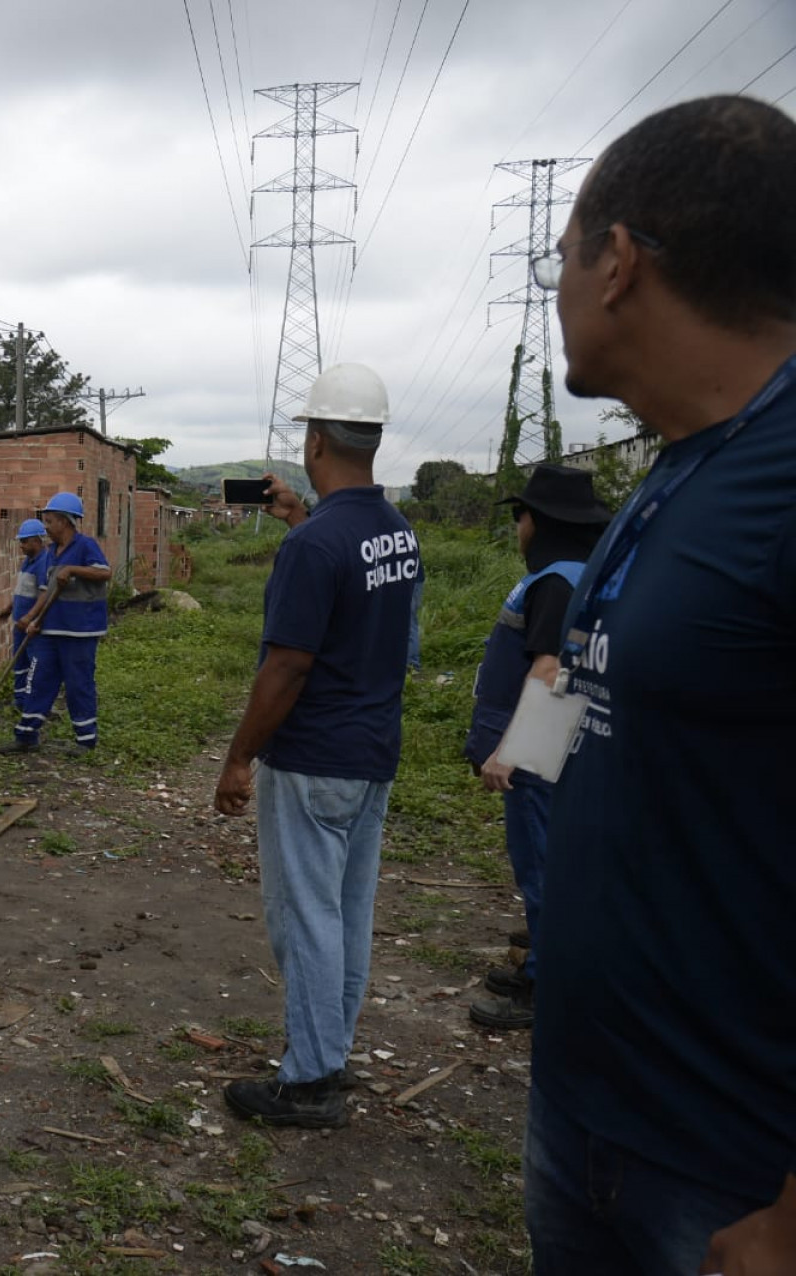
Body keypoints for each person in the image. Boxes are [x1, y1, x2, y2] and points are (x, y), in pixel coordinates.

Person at [520, 96, 796, 1275]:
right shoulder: (680, 467)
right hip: (590, 1109)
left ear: (618, 261)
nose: (560, 291)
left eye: (562, 262)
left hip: (728, 1172)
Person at [213, 362, 419, 1129]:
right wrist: (301, 518)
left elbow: (290, 662)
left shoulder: (316, 548)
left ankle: (309, 1081)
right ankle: (330, 1052)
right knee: (345, 913)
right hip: (372, 755)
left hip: (312, 761)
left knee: (306, 919)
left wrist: (239, 757)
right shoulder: (394, 532)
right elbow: (355, 595)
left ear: (316, 438)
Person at [460, 464, 610, 1032]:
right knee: (546, 862)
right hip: (556, 747)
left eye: (520, 516)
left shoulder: (555, 581)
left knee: (543, 866)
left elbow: (547, 668)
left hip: (538, 752)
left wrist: (510, 752)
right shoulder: (578, 573)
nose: (518, 527)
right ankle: (541, 970)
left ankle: (547, 987)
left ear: (538, 521)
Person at [2, 493, 111, 755]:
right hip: (51, 628)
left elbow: (104, 572)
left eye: (49, 521)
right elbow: (45, 591)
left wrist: (74, 570)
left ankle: (86, 740)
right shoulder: (50, 553)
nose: (46, 527)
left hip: (80, 630)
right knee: (39, 680)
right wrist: (32, 617)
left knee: (78, 684)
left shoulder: (85, 546)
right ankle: (27, 736)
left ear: (64, 521)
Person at [0, 518, 52, 713]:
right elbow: (22, 591)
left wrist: (29, 617)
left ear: (37, 541)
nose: (21, 546)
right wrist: (9, 609)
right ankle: (19, 701)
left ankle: (32, 703)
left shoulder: (44, 563)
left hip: (32, 627)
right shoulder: (27, 563)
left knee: (33, 665)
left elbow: (45, 595)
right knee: (18, 663)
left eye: (25, 541)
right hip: (19, 624)